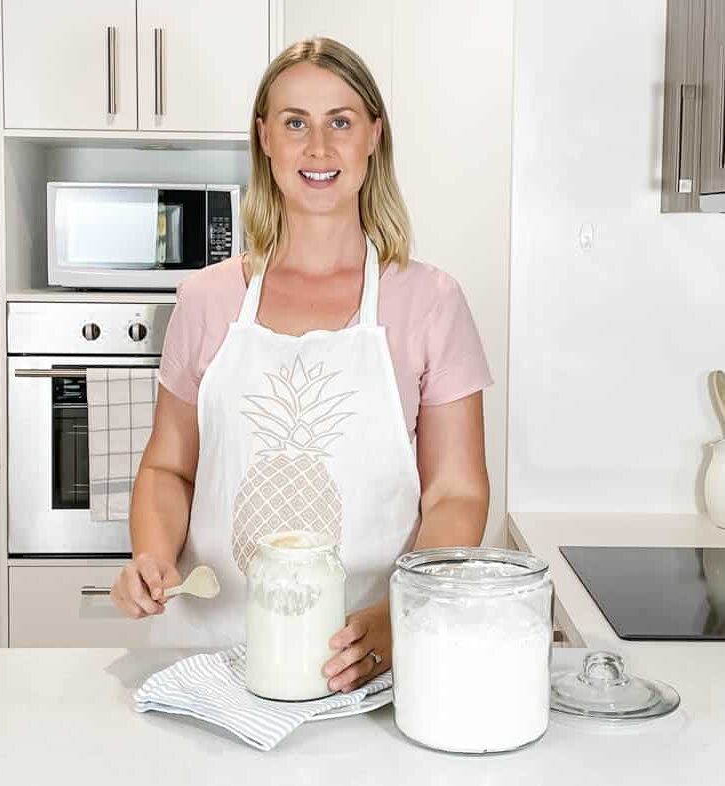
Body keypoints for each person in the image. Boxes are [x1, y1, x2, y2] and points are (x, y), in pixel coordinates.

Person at [111, 37, 493, 694]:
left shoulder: (430, 302)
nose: (318, 148)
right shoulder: (205, 300)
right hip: (210, 660)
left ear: (374, 135)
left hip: (360, 661)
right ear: (264, 138)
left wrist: (397, 620)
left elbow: (455, 495)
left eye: (340, 122)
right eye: (295, 123)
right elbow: (168, 466)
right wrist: (150, 552)